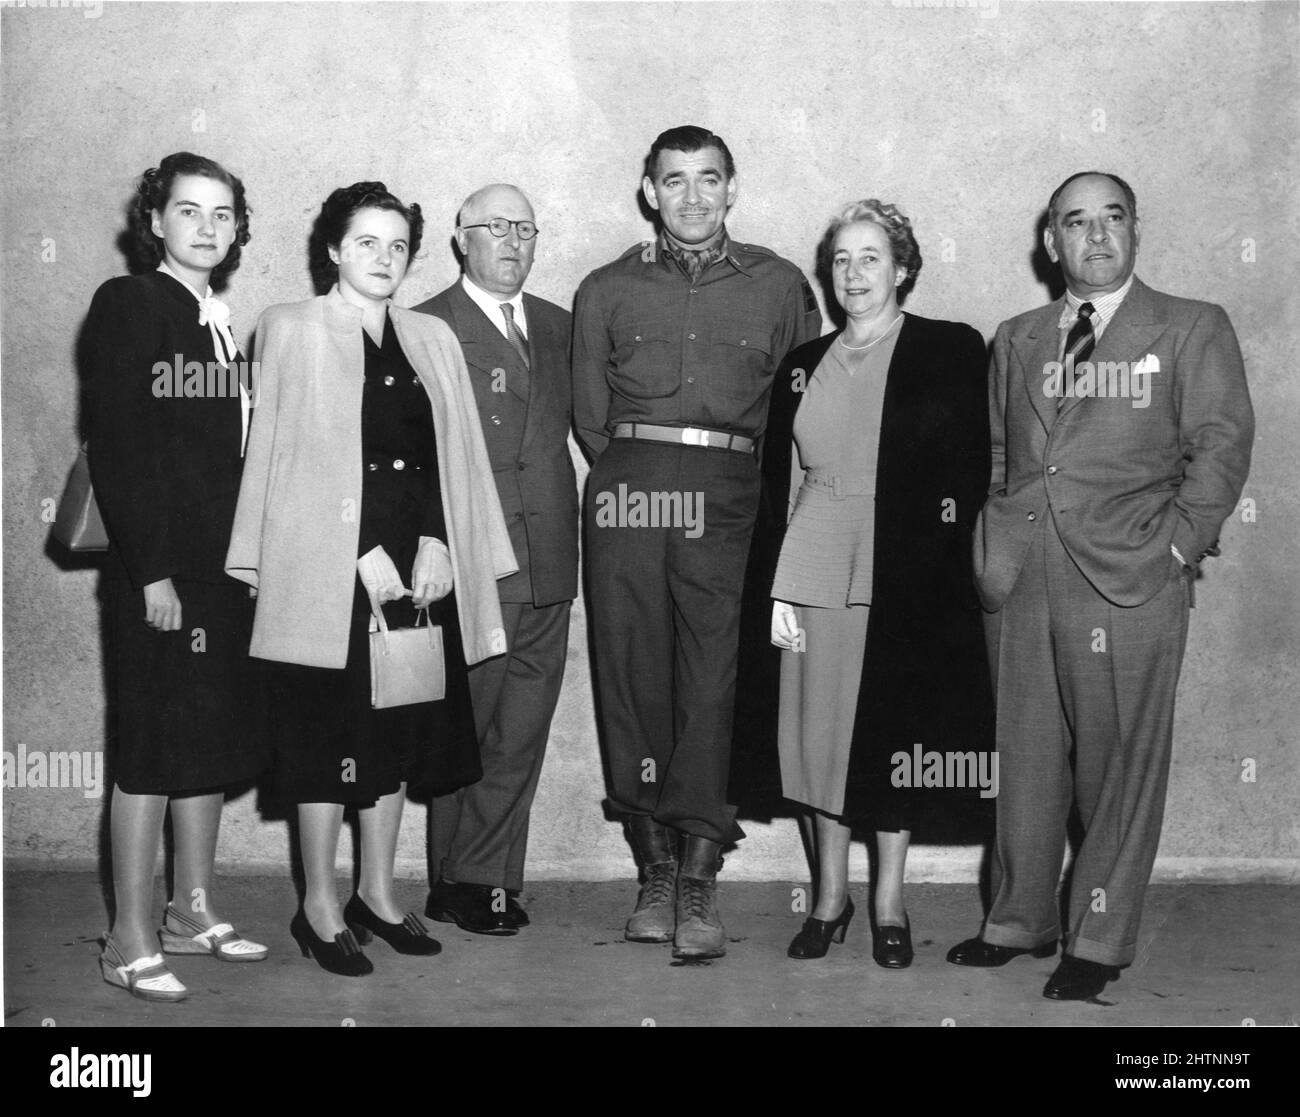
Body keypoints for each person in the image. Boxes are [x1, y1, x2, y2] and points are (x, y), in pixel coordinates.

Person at [948, 172, 1254, 1000]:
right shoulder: (1016, 335)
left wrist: (1176, 551)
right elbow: (1007, 457)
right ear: (1051, 243)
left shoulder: (1191, 327)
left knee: (1119, 768)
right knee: (1024, 760)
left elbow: (1220, 452)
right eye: (1074, 223)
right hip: (1021, 575)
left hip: (1131, 576)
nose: (1094, 236)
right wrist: (995, 546)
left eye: (1110, 218)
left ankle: (1098, 936)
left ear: (1134, 229)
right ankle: (1018, 919)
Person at [226, 182, 516, 976]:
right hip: (328, 567)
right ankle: (318, 903)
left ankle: (379, 894)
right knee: (325, 742)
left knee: (395, 732)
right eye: (367, 243)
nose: (384, 259)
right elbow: (281, 458)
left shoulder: (432, 338)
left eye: (397, 246)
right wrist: (358, 555)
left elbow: (449, 461)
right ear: (332, 248)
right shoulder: (287, 326)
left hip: (418, 569)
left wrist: (437, 542)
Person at [572, 125, 821, 959]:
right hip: (631, 486)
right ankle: (654, 868)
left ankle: (701, 876)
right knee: (632, 672)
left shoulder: (781, 283)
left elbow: (799, 410)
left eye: (708, 179)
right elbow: (588, 415)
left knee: (716, 678)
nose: (691, 197)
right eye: (673, 181)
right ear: (649, 190)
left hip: (730, 493)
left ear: (732, 189)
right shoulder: (606, 288)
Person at [765, 200, 993, 967]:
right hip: (814, 560)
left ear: (902, 268)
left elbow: (973, 467)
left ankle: (890, 900)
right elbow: (783, 482)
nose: (855, 274)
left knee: (893, 732)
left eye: (871, 257)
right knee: (814, 740)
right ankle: (830, 896)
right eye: (841, 260)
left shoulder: (948, 348)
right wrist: (779, 588)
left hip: (906, 566)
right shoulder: (802, 362)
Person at [86, 152, 268, 1002]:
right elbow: (119, 445)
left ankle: (189, 911)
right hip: (157, 571)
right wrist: (150, 571)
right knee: (151, 751)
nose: (206, 226)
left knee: (206, 743)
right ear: (154, 221)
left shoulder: (220, 318)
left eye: (223, 213)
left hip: (220, 572)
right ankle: (126, 935)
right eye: (189, 211)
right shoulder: (131, 303)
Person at [413, 184, 578, 935]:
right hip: (477, 560)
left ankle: (486, 880)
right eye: (494, 228)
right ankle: (458, 878)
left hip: (550, 559)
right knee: (471, 728)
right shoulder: (424, 326)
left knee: (523, 729)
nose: (512, 241)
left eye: (525, 228)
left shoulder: (558, 325)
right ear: (460, 238)